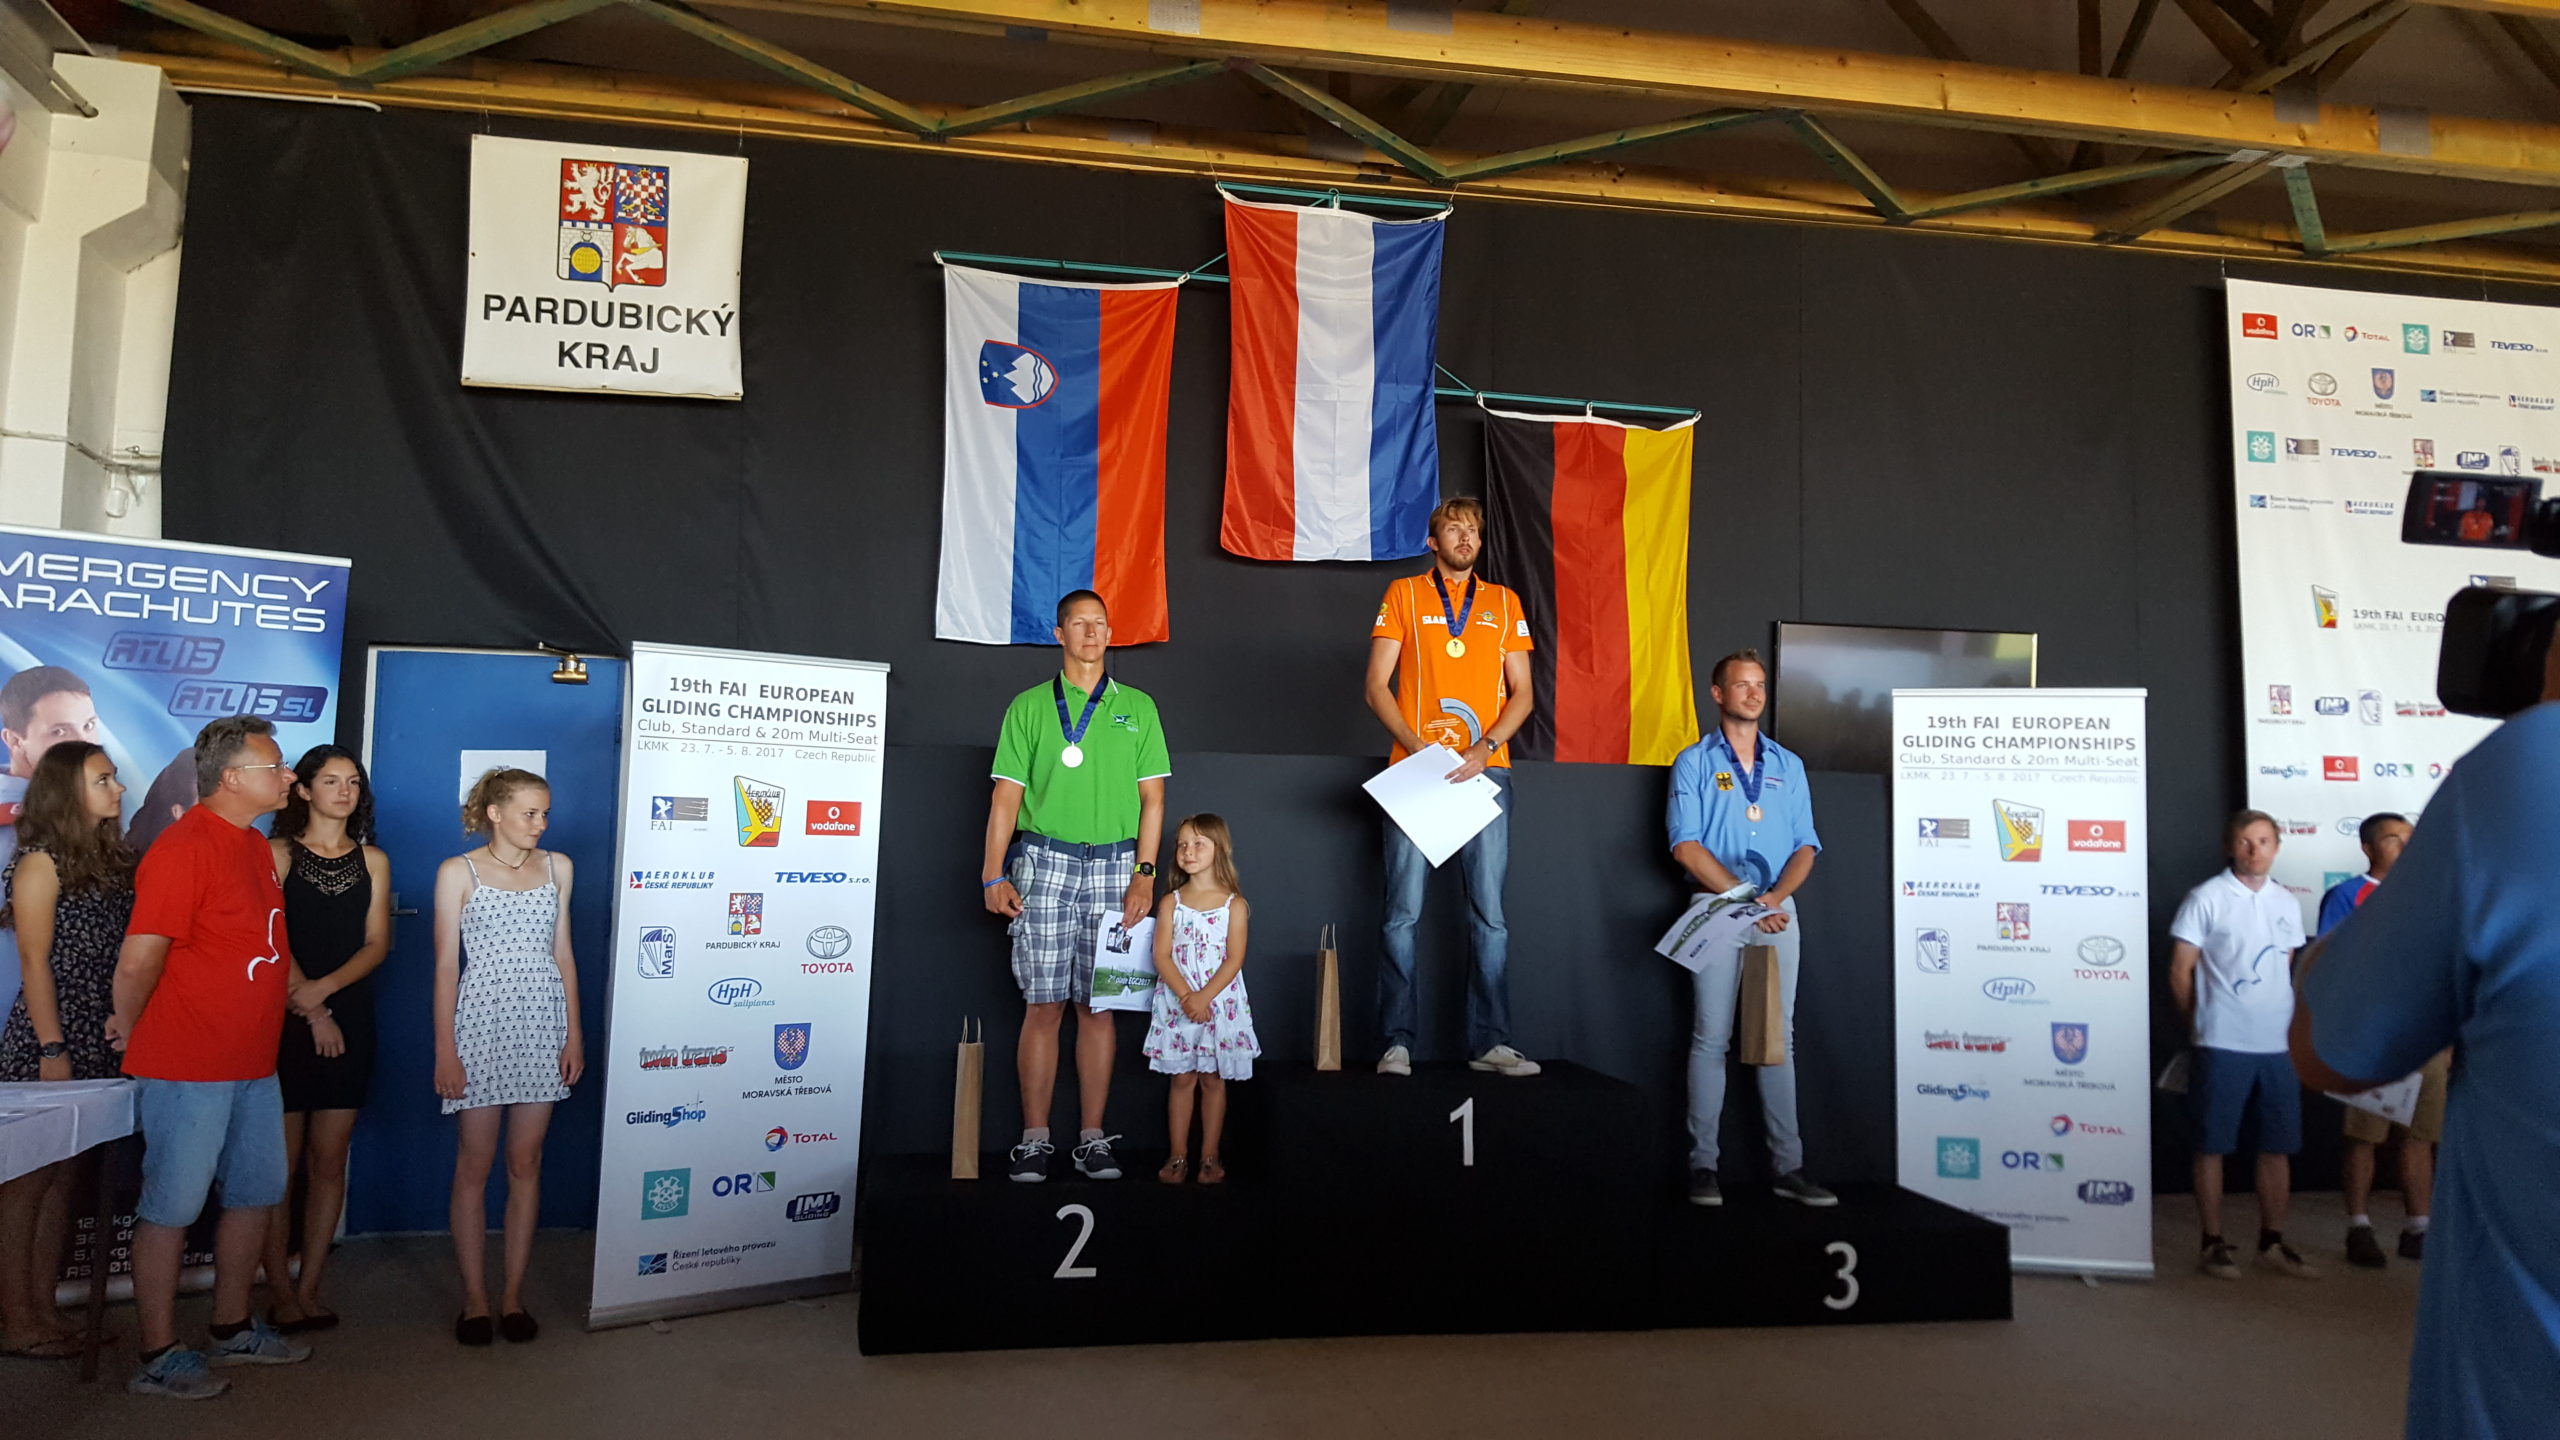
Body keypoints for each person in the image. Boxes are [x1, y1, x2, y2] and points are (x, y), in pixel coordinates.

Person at [2291, 637, 2560, 1440]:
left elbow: (2329, 1044)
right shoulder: (2348, 891)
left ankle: (2407, 1220)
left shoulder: (2529, 765)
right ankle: (2364, 1222)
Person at [105, 716, 317, 1398]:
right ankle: (158, 1353)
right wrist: (130, 1028)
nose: (288, 776)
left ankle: (230, 1328)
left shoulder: (252, 846)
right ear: (231, 778)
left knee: (256, 1194)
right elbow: (139, 959)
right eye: (275, 767)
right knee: (171, 1205)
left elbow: (264, 944)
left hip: (253, 1062)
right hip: (187, 1065)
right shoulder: (184, 848)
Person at [981, 590, 1168, 1183]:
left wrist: (1145, 874)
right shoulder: (1029, 706)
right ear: (1059, 634)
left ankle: (1092, 1137)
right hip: (1045, 862)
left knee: (1097, 1006)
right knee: (1043, 1005)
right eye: (1079, 624)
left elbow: (1153, 800)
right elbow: (1005, 798)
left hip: (1116, 866)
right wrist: (992, 872)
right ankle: (1035, 1139)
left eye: (1100, 624)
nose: (1091, 633)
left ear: (1110, 633)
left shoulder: (1137, 707)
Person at [1364, 496, 1540, 1079]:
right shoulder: (1404, 594)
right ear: (1432, 541)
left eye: (1473, 531)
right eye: (1453, 529)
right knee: (1401, 914)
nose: (1465, 538)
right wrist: (1417, 748)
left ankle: (1491, 1041)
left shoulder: (1504, 602)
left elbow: (1523, 693)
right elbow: (1376, 685)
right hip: (1416, 772)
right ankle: (1396, 1043)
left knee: (1489, 915)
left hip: (1486, 771)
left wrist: (1485, 747)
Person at [1665, 649, 1837, 1208]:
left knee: (1774, 1040)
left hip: (1777, 912)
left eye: (1760, 684)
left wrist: (1773, 900)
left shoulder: (1789, 765)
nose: (1754, 693)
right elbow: (1686, 847)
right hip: (1716, 911)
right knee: (1710, 1037)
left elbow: (1807, 845)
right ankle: (1703, 1167)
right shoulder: (1693, 761)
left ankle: (1789, 1169)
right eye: (1742, 685)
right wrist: (1747, 901)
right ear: (1718, 694)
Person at [433, 767, 582, 1346]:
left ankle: (513, 1297)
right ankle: (474, 1299)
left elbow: (563, 954)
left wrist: (574, 1035)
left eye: (545, 813)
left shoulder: (559, 867)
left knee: (526, 1164)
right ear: (495, 814)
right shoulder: (458, 871)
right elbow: (447, 966)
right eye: (529, 813)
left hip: (542, 1026)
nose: (540, 824)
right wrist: (446, 1051)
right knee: (474, 1166)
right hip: (480, 1027)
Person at [0, 741, 136, 1358]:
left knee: (66, 1179)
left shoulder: (110, 861)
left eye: (114, 777)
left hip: (99, 1034)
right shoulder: (39, 863)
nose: (117, 788)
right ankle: (18, 1321)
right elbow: (34, 963)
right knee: (28, 1181)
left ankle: (47, 1312)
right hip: (50, 1039)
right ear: (66, 791)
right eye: (103, 779)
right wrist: (52, 1048)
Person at [258, 746, 392, 1331]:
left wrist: (325, 992)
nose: (344, 791)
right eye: (331, 780)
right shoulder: (276, 853)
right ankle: (278, 1291)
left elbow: (377, 943)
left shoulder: (373, 860)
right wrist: (311, 1009)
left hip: (351, 1015)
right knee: (279, 1168)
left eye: (353, 782)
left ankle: (310, 1285)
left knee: (329, 1161)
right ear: (304, 790)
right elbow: (268, 936)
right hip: (283, 1020)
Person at [2168, 809, 2317, 1282]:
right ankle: (2212, 1243)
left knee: (2277, 1147)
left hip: (2278, 1044)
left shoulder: (2286, 902)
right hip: (2221, 1041)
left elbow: (2285, 966)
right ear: (2230, 847)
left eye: (2264, 841)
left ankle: (2271, 1242)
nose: (2255, 851)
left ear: (2277, 847)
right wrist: (2200, 1025)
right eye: (2245, 842)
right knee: (2212, 1145)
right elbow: (2180, 970)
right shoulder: (2206, 897)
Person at [2315, 812, 2445, 1270]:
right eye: (2393, 839)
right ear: (2368, 848)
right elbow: (2326, 964)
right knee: (2364, 1136)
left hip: (2426, 1037)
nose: (2406, 847)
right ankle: (2359, 1226)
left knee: (2419, 1137)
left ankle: (2418, 1226)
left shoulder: (2432, 895)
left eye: (2411, 838)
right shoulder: (2347, 895)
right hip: (2371, 1038)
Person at [1141, 815, 1259, 1184]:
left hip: (1218, 1004)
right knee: (1181, 1079)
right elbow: (1161, 955)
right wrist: (1187, 997)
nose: (1188, 851)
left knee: (1213, 1079)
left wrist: (1204, 997)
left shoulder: (1233, 905)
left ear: (1219, 849)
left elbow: (1234, 958)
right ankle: (1178, 1155)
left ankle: (1210, 1155)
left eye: (1198, 844)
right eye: (1182, 845)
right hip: (1178, 1004)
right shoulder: (1171, 902)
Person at [0, 667, 99, 1021]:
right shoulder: (10, 823)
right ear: (14, 740)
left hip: (87, 1019)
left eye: (89, 725)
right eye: (60, 731)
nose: (84, 744)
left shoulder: (95, 812)